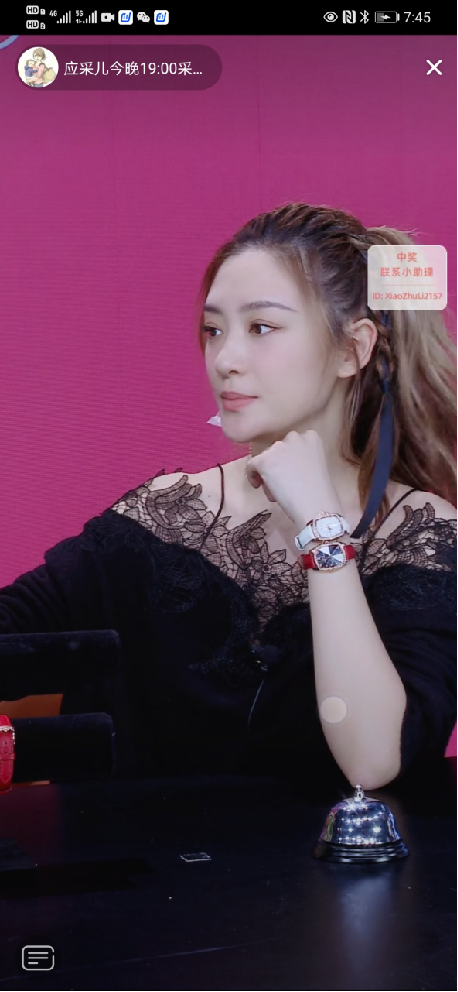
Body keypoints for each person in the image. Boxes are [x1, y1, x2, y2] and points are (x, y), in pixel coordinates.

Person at [0, 203, 456, 792]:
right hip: (134, 851)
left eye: (261, 328)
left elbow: (371, 760)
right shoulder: (166, 513)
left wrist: (320, 525)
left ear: (352, 349)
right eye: (214, 330)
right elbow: (15, 630)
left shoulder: (421, 534)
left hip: (333, 854)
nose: (225, 360)